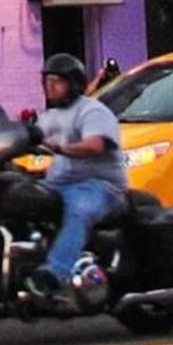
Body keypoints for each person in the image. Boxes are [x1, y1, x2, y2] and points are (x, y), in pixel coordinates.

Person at [26, 52, 128, 300]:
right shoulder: (50, 116)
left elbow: (95, 145)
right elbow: (29, 137)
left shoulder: (92, 111)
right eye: (47, 81)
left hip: (99, 186)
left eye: (57, 81)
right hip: (57, 185)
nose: (50, 86)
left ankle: (53, 274)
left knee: (79, 210)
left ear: (74, 84)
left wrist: (60, 148)